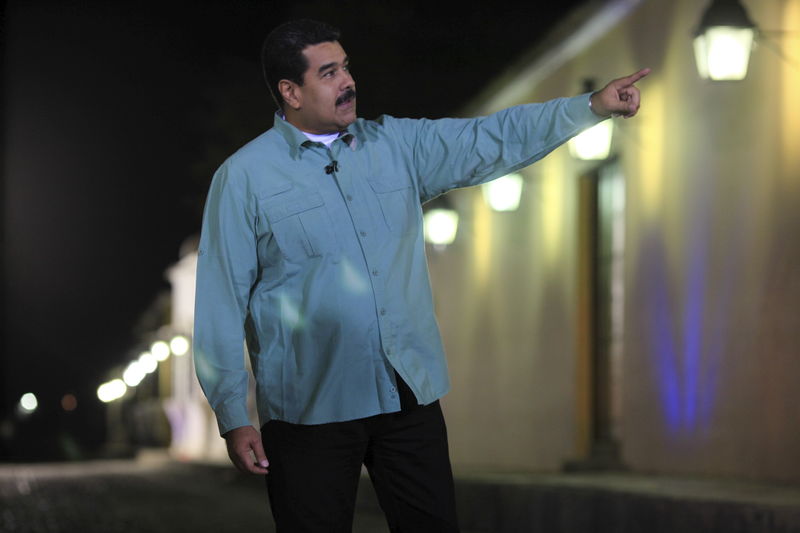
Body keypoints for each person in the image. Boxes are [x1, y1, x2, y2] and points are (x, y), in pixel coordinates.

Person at [193, 18, 649, 533]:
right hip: (309, 409)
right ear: (290, 91)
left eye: (346, 67)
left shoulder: (396, 145)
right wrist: (232, 413)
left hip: (406, 392)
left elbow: (489, 137)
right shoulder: (244, 178)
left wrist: (589, 108)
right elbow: (220, 301)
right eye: (329, 72)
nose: (348, 81)